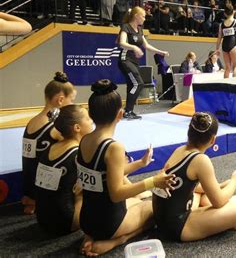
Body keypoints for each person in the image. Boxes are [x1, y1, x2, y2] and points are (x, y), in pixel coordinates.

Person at [78, 79, 175, 256]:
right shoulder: (114, 147)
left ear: (91, 114)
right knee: (157, 208)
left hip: (87, 221)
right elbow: (116, 194)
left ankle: (92, 237)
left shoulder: (84, 140)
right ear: (120, 114)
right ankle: (117, 240)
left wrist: (140, 163)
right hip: (108, 223)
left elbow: (104, 175)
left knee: (138, 202)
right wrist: (153, 181)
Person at [152, 112, 236, 242]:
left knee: (202, 194)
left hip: (161, 220)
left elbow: (182, 186)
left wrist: (219, 186)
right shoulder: (200, 160)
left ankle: (220, 219)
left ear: (189, 132)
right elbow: (219, 201)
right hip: (177, 227)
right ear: (213, 140)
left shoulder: (179, 150)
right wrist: (235, 181)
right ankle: (226, 221)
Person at [22, 72, 76, 215]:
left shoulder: (33, 121)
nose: (72, 104)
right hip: (42, 189)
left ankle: (30, 198)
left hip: (28, 186)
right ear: (60, 100)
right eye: (72, 100)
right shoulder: (54, 127)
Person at [35, 105, 93, 235]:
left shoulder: (51, 148)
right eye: (89, 119)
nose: (92, 121)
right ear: (77, 128)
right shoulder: (79, 153)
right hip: (67, 222)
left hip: (42, 219)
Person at [118, 6, 169, 120]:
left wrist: (161, 52)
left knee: (132, 85)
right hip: (125, 59)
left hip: (134, 61)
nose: (145, 19)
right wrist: (134, 48)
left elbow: (146, 46)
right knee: (138, 83)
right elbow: (122, 43)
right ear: (136, 16)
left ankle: (128, 111)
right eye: (143, 16)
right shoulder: (126, 27)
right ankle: (128, 110)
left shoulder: (140, 30)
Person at [215, 5, 236, 78]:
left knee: (227, 68)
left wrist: (217, 49)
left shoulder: (221, 24)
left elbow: (219, 37)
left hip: (224, 46)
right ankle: (234, 84)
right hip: (232, 45)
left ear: (225, 13)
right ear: (233, 12)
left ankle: (225, 86)